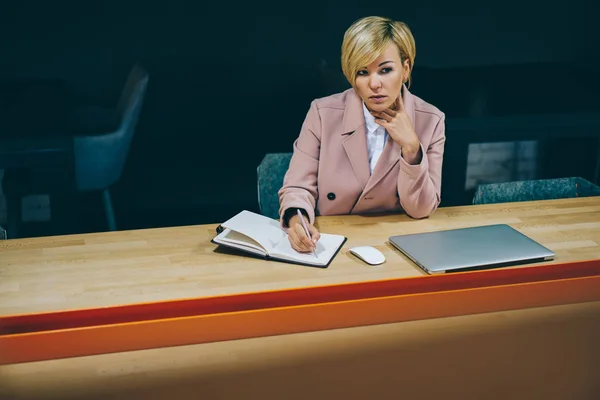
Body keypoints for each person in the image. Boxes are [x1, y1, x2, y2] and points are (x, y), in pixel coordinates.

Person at [278, 16, 446, 253]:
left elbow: (421, 210)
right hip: (328, 243)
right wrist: (298, 223)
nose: (374, 83)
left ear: (405, 68)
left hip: (398, 244)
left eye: (385, 70)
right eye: (363, 72)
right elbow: (297, 188)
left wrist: (411, 148)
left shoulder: (431, 119)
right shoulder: (323, 113)